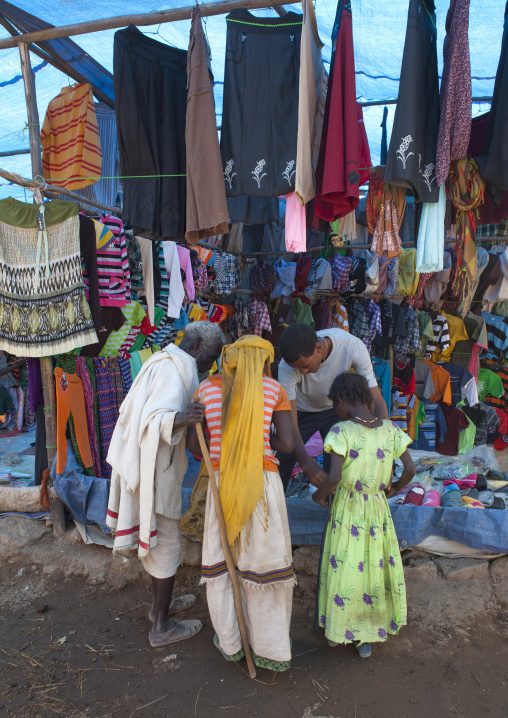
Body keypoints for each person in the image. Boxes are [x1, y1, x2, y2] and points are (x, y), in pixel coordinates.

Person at [106, 321, 224, 648]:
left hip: (154, 462)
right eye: (210, 356)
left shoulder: (165, 359)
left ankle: (163, 605)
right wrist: (186, 418)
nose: (210, 365)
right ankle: (161, 626)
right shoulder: (175, 370)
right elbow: (153, 419)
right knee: (168, 543)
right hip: (155, 468)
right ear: (198, 345)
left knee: (162, 541)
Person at [187, 336, 295, 671]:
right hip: (262, 485)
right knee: (263, 564)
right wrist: (258, 440)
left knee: (224, 561)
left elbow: (194, 443)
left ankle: (232, 642)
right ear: (264, 360)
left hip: (222, 484)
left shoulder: (206, 389)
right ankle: (270, 648)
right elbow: (287, 444)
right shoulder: (275, 390)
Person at [312, 372, 415, 658]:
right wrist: (393, 489)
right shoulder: (391, 431)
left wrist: (318, 496)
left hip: (347, 508)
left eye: (335, 404)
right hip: (377, 509)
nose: (336, 410)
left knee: (344, 565)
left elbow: (333, 476)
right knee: (372, 566)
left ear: (342, 400)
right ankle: (366, 634)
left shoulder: (341, 431)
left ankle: (338, 629)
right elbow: (410, 469)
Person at [277, 323, 389, 491]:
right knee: (283, 458)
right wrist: (307, 465)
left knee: (337, 465)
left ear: (318, 349)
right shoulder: (286, 367)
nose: (302, 372)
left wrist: (385, 448)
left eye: (305, 365)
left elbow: (375, 401)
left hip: (334, 410)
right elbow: (290, 424)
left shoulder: (351, 346)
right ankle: (275, 508)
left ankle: (334, 510)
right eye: (297, 368)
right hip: (299, 411)